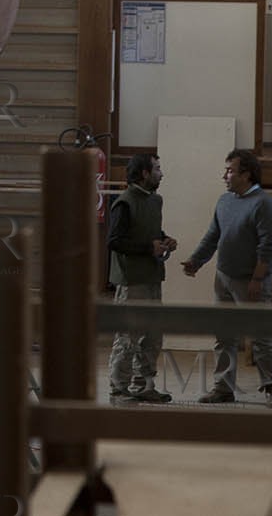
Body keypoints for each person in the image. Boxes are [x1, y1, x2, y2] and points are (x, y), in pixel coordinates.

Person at [181, 149, 272, 407]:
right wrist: (196, 260)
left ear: (246, 174)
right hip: (224, 277)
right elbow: (213, 236)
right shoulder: (225, 201)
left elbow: (268, 245)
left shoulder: (264, 204)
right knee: (224, 335)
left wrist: (257, 279)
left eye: (230, 170)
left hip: (250, 281)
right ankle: (223, 388)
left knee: (260, 335)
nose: (224, 175)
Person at [107, 152, 177, 403]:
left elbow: (150, 231)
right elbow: (115, 241)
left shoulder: (155, 200)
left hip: (152, 276)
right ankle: (118, 389)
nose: (161, 173)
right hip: (131, 280)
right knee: (128, 337)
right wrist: (150, 248)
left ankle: (143, 385)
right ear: (145, 173)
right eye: (157, 168)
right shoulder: (124, 202)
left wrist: (165, 239)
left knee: (153, 335)